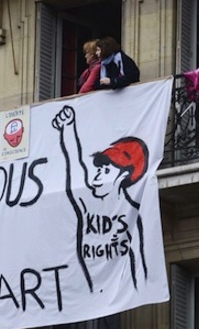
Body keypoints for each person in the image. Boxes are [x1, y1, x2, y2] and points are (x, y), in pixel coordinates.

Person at [52, 105, 148, 291]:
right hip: (89, 294)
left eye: (105, 171)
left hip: (118, 296)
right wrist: (68, 128)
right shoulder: (88, 203)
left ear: (122, 176)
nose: (96, 176)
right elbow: (74, 163)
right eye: (98, 170)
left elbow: (140, 269)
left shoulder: (133, 215)